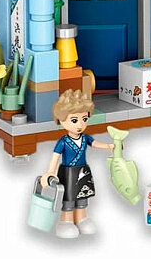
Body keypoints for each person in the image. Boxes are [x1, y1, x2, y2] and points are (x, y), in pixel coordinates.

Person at [43, 89, 114, 239]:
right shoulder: (63, 142)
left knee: (82, 197)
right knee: (68, 198)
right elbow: (55, 156)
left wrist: (109, 146)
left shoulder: (85, 138)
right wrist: (50, 172)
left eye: (85, 119)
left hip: (83, 171)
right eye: (74, 120)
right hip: (68, 173)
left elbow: (95, 144)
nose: (81, 124)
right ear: (61, 120)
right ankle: (66, 221)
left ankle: (82, 219)